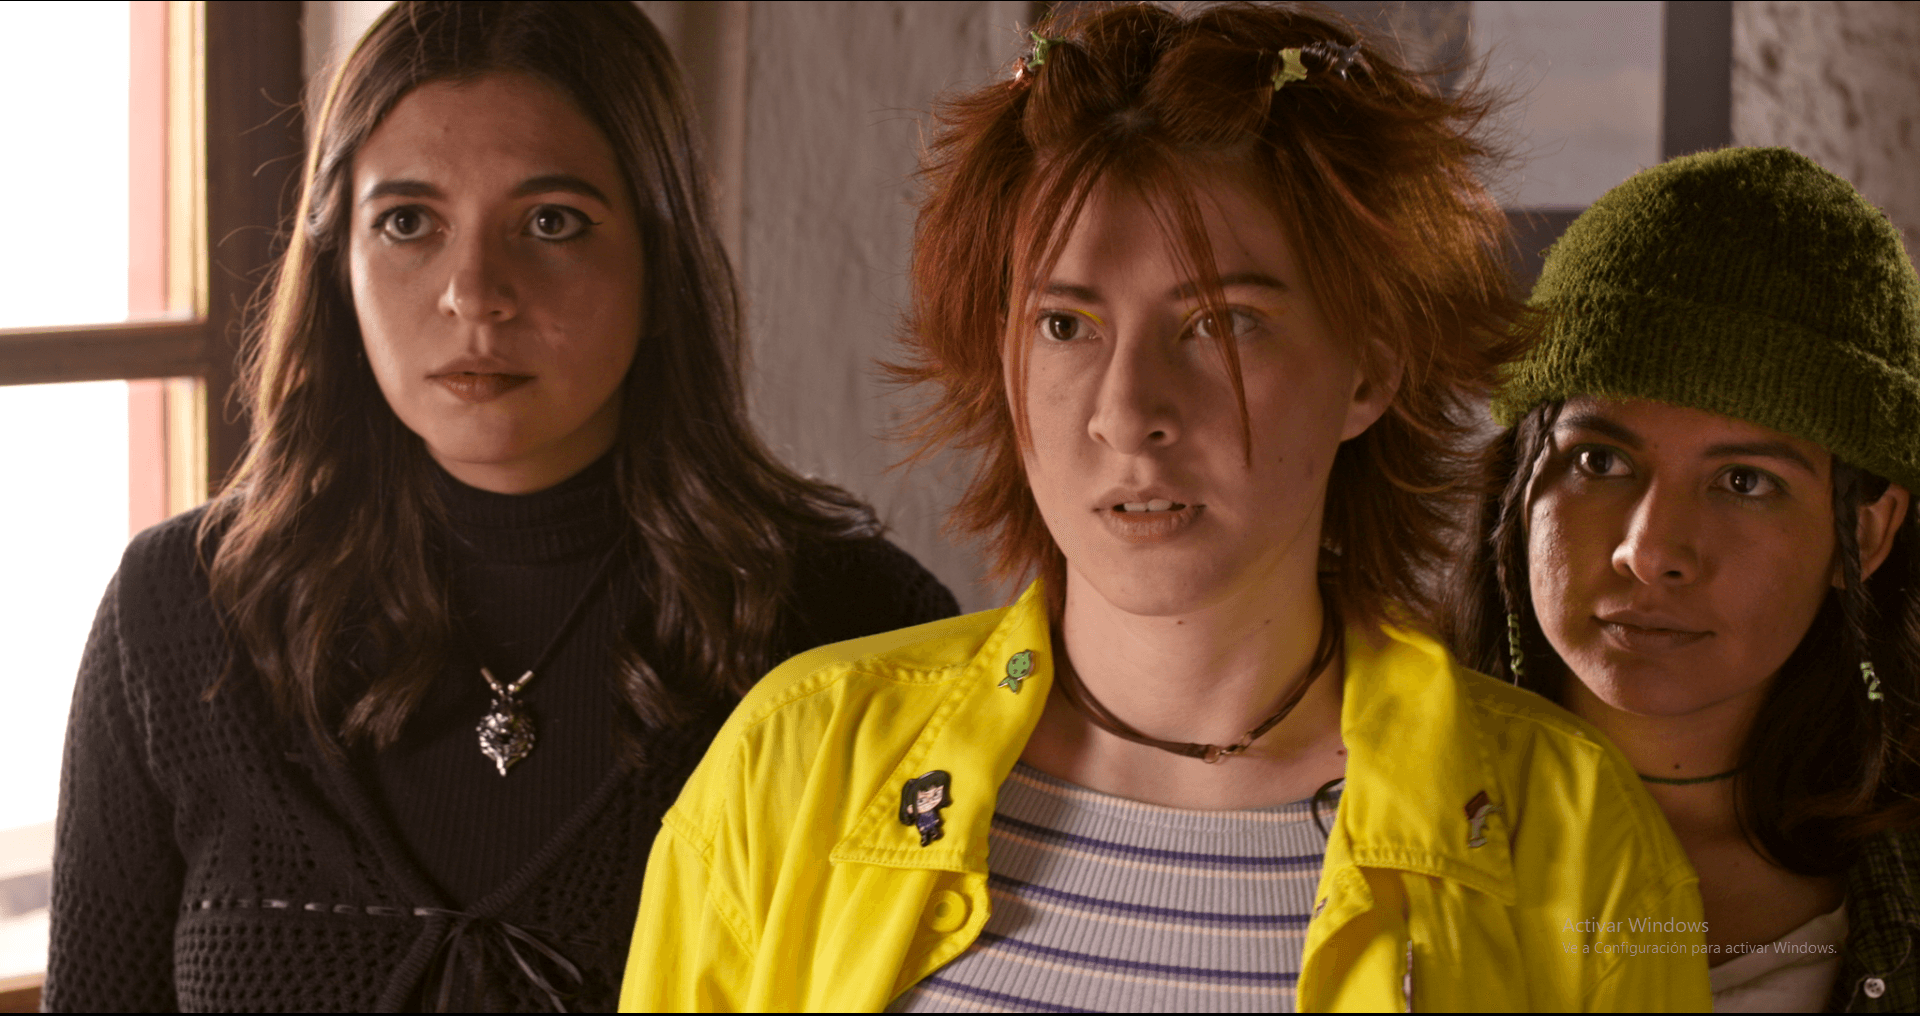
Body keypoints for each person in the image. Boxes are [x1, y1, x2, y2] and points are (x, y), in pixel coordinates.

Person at [620, 4, 1712, 1012]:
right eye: (1065, 324)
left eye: (1221, 324)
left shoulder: (1574, 839)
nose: (1128, 411)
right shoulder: (792, 765)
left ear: (1369, 371)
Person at [42, 2, 957, 1010]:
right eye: (407, 223)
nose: (474, 293)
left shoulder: (857, 634)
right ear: (336, 262)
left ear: (660, 259)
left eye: (551, 221)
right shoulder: (176, 616)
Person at [1448, 146, 1920, 1011]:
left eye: (1744, 482)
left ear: (1865, 532)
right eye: (1599, 460)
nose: (1650, 549)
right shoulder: (1347, 807)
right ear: (1518, 488)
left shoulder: (1900, 893)